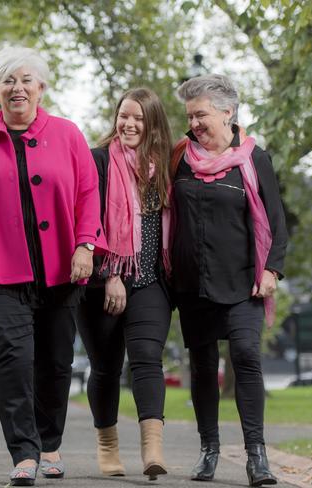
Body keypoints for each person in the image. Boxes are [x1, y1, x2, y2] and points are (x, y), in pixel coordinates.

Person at [0, 46, 106, 486]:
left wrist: (86, 245)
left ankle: (50, 443)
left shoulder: (68, 134)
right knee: (11, 362)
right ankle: (24, 452)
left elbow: (88, 194)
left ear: (41, 87)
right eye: (7, 81)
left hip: (62, 270)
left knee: (56, 363)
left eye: (25, 80)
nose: (16, 89)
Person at [171, 74, 287, 486]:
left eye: (201, 114)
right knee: (203, 368)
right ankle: (209, 450)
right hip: (193, 282)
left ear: (228, 112)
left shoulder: (255, 159)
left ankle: (257, 456)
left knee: (246, 357)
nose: (194, 123)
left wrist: (271, 270)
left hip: (242, 282)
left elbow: (276, 221)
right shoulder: (180, 156)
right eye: (190, 116)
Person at [77, 87, 173, 480]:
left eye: (139, 118)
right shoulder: (98, 161)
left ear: (152, 124)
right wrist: (111, 273)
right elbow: (87, 220)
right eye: (124, 116)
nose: (130, 124)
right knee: (105, 366)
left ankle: (152, 450)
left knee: (148, 359)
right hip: (102, 282)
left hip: (150, 280)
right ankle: (107, 445)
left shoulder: (164, 166)